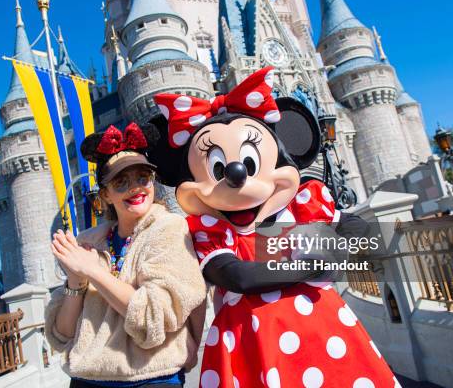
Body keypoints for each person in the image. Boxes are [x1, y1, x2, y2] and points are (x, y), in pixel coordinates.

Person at [150, 67, 399, 387]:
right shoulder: (211, 229)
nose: (237, 174)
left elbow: (361, 229)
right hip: (252, 344)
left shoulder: (302, 206)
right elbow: (237, 277)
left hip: (325, 337)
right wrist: (313, 266)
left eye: (249, 163)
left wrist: (332, 251)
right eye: (218, 168)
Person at [44, 122, 207, 388]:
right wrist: (76, 281)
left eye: (143, 178)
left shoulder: (169, 229)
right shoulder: (88, 242)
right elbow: (61, 335)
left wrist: (93, 272)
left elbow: (153, 319)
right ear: (106, 194)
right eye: (121, 182)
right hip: (87, 380)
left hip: (150, 378)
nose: (136, 188)